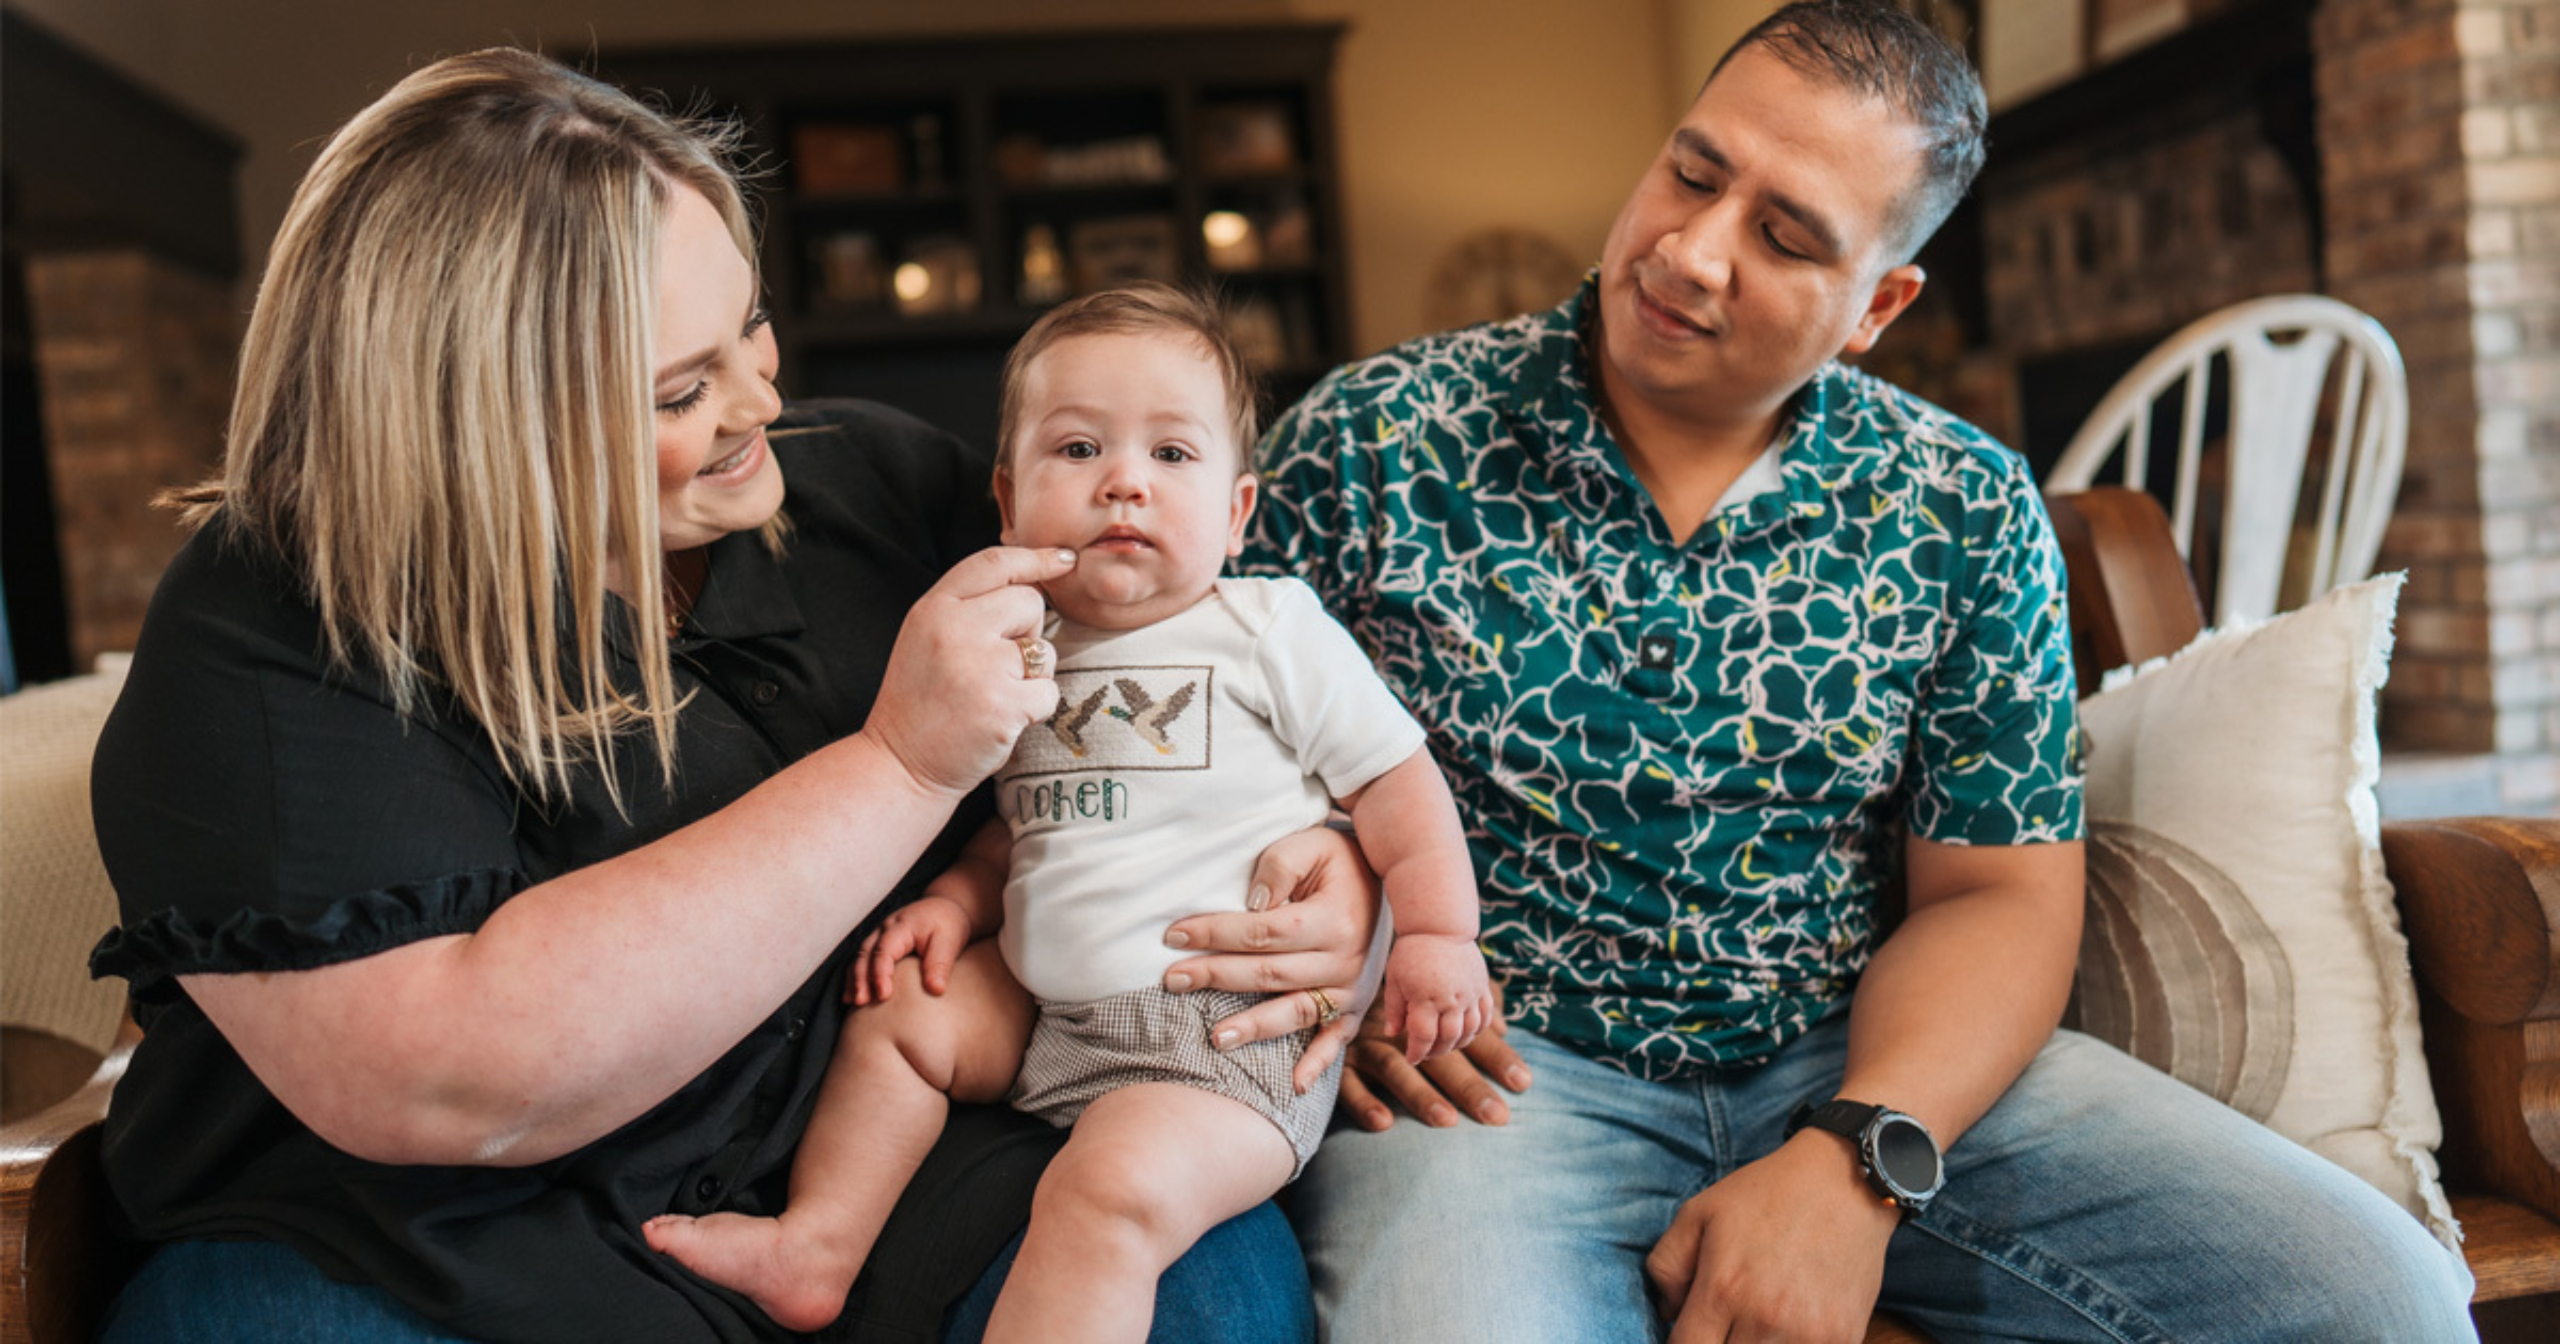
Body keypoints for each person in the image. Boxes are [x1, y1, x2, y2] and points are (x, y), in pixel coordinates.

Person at [83, 49, 1378, 1344]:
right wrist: (900, 766)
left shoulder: (870, 486)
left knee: (1208, 1287)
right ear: (469, 420)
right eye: (680, 391)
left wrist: (1331, 866)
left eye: (747, 327)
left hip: (880, 1170)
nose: (764, 399)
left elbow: (1212, 640)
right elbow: (451, 1077)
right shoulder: (276, 619)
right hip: (435, 1250)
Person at [1240, 3, 2479, 1340]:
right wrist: (1342, 955)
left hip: (1863, 1058)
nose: (1689, 253)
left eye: (1783, 236)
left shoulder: (1960, 505)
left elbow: (1996, 893)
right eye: (1692, 173)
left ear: (1878, 304)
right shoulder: (1369, 442)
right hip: (1482, 1078)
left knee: (2381, 1298)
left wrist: (1857, 1161)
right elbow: (1191, 753)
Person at [642, 284, 1493, 1341]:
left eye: (1172, 457)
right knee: (905, 1014)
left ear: (1236, 512)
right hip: (1051, 1018)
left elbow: (1397, 783)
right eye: (1079, 450)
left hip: (1218, 1046)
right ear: (1006, 498)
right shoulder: (1012, 642)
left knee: (1104, 1194)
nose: (1125, 483)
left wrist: (1437, 934)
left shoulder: (1267, 630)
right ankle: (820, 1242)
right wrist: (956, 904)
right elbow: (1027, 819)